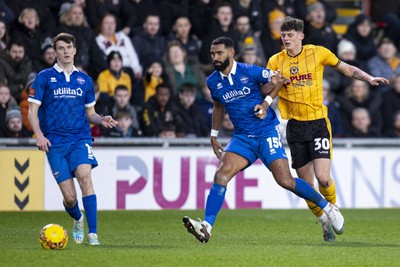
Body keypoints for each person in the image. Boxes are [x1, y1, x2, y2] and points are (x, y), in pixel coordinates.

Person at [182, 36, 345, 243]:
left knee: (285, 181)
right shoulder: (212, 81)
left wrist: (266, 103)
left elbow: (279, 79)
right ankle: (206, 227)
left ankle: (327, 207)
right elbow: (218, 106)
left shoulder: (249, 70)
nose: (215, 57)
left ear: (231, 53)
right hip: (242, 138)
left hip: (266, 132)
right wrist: (213, 135)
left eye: (219, 53)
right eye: (212, 53)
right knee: (221, 175)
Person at [266, 16, 388, 242]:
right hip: (294, 126)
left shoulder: (318, 53)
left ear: (301, 36)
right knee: (306, 185)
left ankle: (332, 209)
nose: (286, 39)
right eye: (283, 35)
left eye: (290, 35)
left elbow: (345, 68)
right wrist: (275, 83)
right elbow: (267, 87)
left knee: (323, 178)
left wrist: (368, 77)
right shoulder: (275, 61)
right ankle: (323, 222)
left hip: (318, 123)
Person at [27, 33, 118, 246]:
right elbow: (32, 111)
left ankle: (93, 234)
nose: (66, 51)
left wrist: (101, 118)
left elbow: (90, 114)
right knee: (69, 198)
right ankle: (78, 217)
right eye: (61, 48)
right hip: (55, 143)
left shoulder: (84, 80)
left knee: (85, 177)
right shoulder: (44, 77)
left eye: (69, 47)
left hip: (79, 138)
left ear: (75, 50)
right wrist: (39, 135)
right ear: (55, 51)